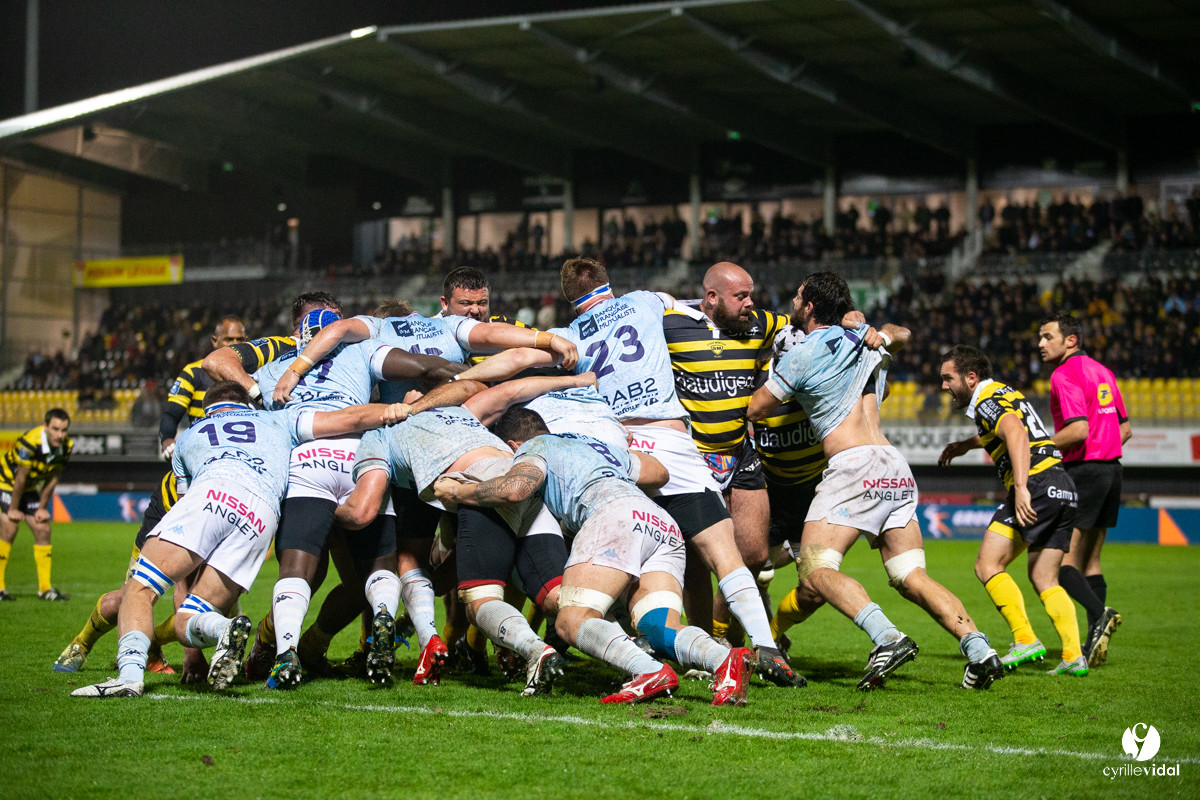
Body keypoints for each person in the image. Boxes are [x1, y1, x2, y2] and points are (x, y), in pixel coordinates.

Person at [540, 257, 801, 687]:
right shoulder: (645, 302)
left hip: (619, 447)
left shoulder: (563, 337)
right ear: (608, 283)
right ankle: (765, 647)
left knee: (622, 549)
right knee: (724, 554)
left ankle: (608, 637)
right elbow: (691, 304)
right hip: (671, 444)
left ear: (570, 300)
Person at [748, 272, 1002, 691]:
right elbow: (901, 334)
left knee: (814, 568)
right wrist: (880, 332)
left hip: (854, 465)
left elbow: (757, 408)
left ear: (809, 307)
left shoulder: (804, 350)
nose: (792, 300)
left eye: (796, 295)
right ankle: (978, 648)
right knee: (910, 576)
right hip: (894, 465)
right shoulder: (867, 341)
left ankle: (886, 637)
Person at [434, 408, 753, 706]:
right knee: (656, 625)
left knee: (570, 621)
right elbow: (659, 472)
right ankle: (724, 659)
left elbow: (515, 489)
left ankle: (646, 671)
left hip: (611, 519)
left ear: (512, 444)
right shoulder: (592, 447)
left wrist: (459, 493)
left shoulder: (536, 447)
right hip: (658, 523)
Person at [334, 376, 588, 696]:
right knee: (559, 598)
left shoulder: (377, 435)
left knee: (478, 602)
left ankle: (537, 651)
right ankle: (642, 660)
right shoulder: (462, 412)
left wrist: (332, 514)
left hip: (481, 488)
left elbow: (361, 512)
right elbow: (483, 387)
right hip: (528, 482)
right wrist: (576, 380)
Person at [53, 316, 247, 677]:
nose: (234, 344)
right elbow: (171, 415)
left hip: (218, 493)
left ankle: (177, 648)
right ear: (214, 340)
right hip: (179, 499)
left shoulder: (253, 374)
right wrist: (168, 442)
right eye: (228, 338)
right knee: (135, 594)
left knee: (221, 594)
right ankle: (82, 641)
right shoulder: (195, 377)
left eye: (241, 338)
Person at [72, 382, 293, 698]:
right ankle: (223, 629)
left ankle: (130, 676)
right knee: (189, 617)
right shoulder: (277, 424)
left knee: (140, 587)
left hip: (211, 495)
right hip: (261, 517)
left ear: (208, 409)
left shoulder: (192, 434)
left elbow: (187, 507)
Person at [938, 345, 1089, 677]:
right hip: (1061, 483)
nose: (945, 386)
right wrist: (968, 444)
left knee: (987, 564)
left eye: (949, 378)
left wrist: (1020, 488)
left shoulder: (986, 399)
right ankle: (1073, 655)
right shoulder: (1004, 393)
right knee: (1044, 577)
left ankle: (1025, 639)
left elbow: (1016, 433)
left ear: (971, 376)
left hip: (1034, 483)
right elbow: (1012, 426)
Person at [661, 263, 785, 646]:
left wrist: (850, 320)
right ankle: (705, 645)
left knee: (752, 552)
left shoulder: (759, 324)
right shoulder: (669, 325)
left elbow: (803, 325)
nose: (751, 303)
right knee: (696, 563)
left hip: (738, 451)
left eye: (751, 294)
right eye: (741, 296)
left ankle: (719, 633)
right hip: (690, 459)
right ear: (711, 298)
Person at [1038, 313, 1128, 666]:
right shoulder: (1104, 372)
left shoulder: (1064, 374)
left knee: (1060, 564)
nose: (1040, 344)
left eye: (1047, 337)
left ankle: (1100, 614)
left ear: (1070, 340)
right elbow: (1125, 429)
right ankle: (1095, 640)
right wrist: (1103, 452)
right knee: (1091, 561)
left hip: (1084, 470)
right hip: (1111, 470)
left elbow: (1077, 430)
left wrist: (1039, 448)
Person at [0, 408, 73, 601]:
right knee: (9, 527)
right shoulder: (30, 443)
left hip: (29, 487)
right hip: (6, 482)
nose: (60, 435)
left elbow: (53, 477)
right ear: (45, 427)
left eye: (63, 430)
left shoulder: (67, 446)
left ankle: (45, 589)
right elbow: (20, 478)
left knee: (43, 529)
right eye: (55, 429)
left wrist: (42, 508)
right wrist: (14, 509)